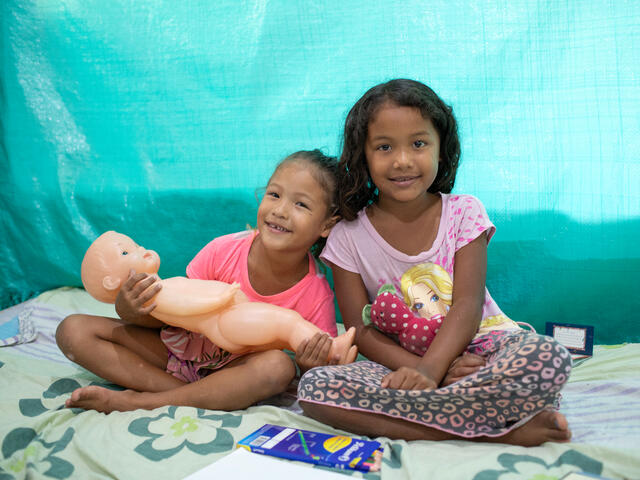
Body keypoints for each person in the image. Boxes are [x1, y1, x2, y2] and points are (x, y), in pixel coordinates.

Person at [297, 79, 573, 447]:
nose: (403, 160)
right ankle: (496, 428)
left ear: (442, 149)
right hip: (400, 365)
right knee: (315, 388)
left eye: (418, 143)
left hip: (481, 351)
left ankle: (445, 414)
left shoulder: (464, 213)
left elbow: (467, 304)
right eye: (384, 147)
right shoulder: (347, 235)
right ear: (363, 155)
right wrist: (422, 371)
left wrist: (433, 369)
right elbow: (359, 331)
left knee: (547, 356)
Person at [56, 149, 349, 413]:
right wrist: (130, 308)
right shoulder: (223, 250)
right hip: (175, 350)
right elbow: (170, 319)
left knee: (277, 367)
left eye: (301, 204)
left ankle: (141, 402)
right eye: (274, 195)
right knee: (73, 330)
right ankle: (192, 396)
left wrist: (309, 363)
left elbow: (316, 368)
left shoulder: (316, 294)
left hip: (236, 372)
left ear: (326, 225)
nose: (280, 210)